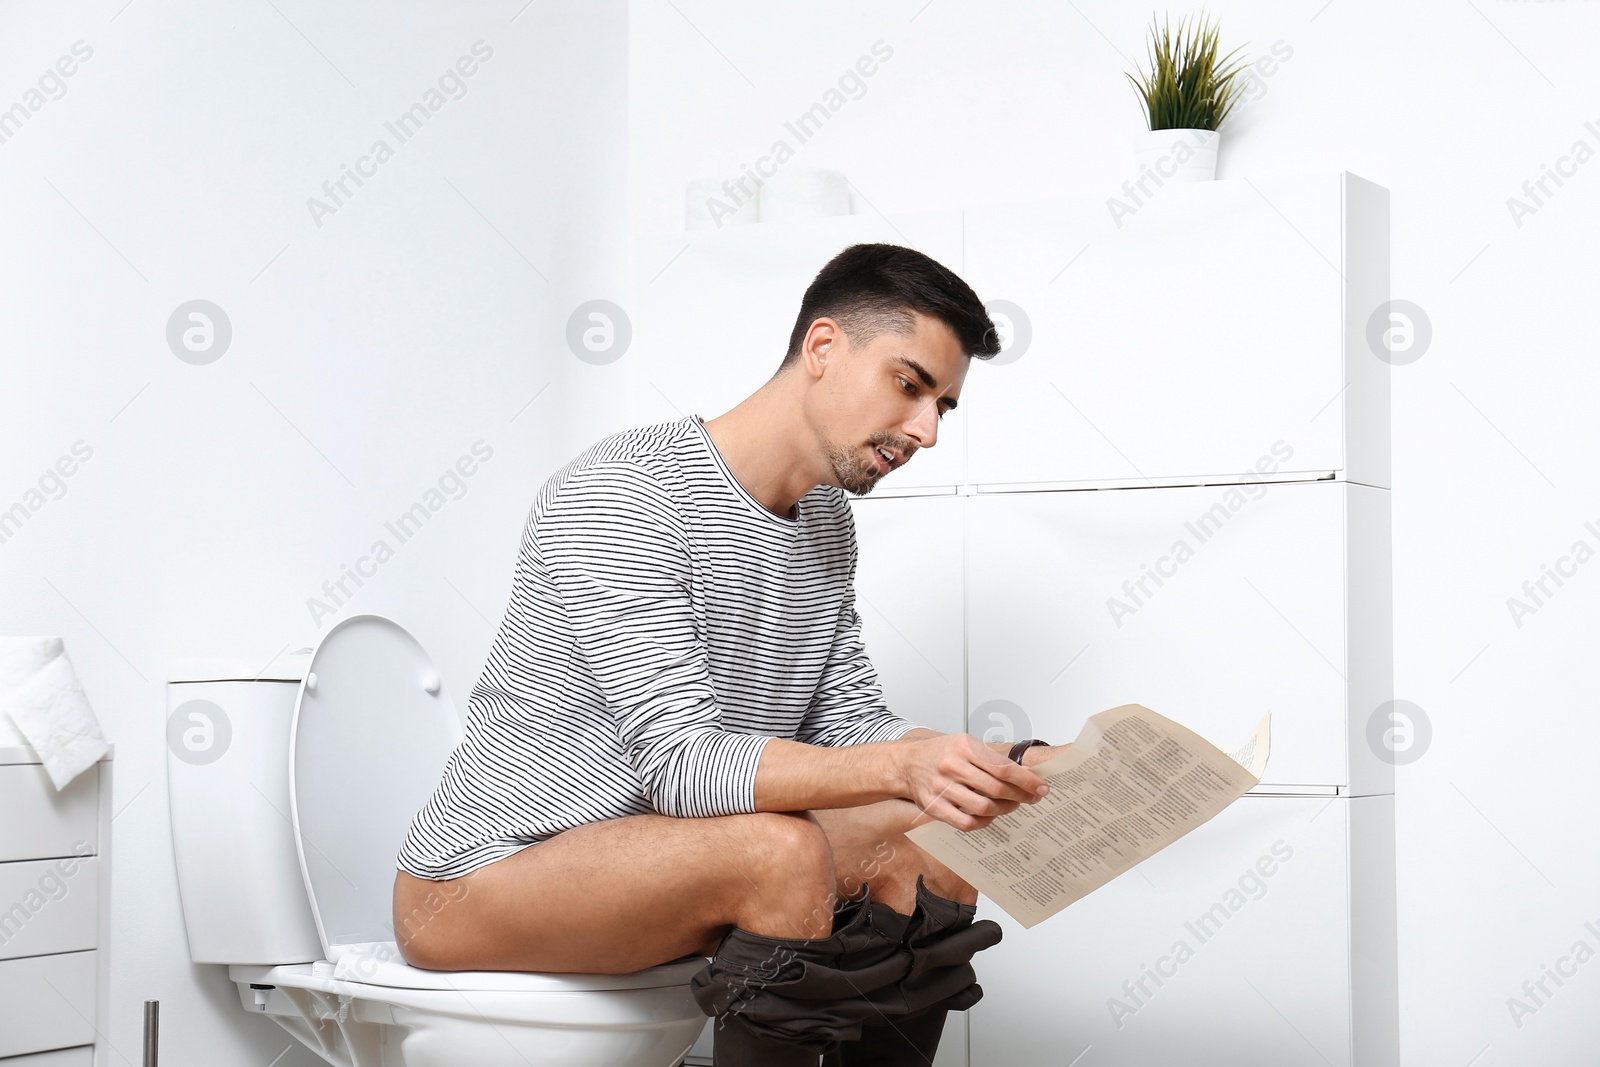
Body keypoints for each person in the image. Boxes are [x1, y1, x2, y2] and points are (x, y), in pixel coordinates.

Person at [392, 242, 1067, 1064]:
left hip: (661, 853)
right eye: (909, 384)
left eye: (944, 407)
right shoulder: (624, 494)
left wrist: (1016, 764)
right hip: (482, 878)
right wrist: (903, 771)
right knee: (775, 851)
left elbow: (853, 723)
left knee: (935, 838)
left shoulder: (824, 522)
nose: (925, 430)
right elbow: (684, 768)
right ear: (823, 348)